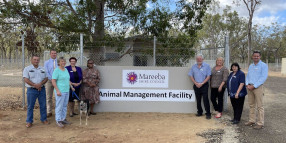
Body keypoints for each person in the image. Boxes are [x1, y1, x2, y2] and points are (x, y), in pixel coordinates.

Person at [23, 55, 49, 128]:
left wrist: (40, 84)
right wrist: (35, 85)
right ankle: (29, 121)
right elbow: (26, 79)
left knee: (43, 105)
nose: (36, 61)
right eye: (34, 59)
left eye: (37, 60)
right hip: (31, 90)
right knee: (30, 106)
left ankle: (44, 119)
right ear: (31, 60)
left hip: (42, 89)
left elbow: (46, 78)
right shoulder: (27, 69)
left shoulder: (43, 69)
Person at [245, 51, 268, 129]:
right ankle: (252, 120)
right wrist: (247, 84)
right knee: (251, 105)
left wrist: (254, 86)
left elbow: (263, 77)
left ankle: (260, 123)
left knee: (260, 106)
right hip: (249, 87)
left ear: (260, 57)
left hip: (258, 87)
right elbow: (248, 75)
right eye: (254, 56)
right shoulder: (251, 66)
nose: (256, 57)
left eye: (257, 56)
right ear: (252, 57)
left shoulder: (263, 65)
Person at [52, 57, 74, 128]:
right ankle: (58, 120)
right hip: (60, 91)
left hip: (66, 90)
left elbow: (67, 80)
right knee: (59, 106)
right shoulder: (56, 70)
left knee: (64, 106)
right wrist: (57, 90)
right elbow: (53, 81)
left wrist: (71, 87)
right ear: (59, 62)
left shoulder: (66, 69)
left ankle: (63, 119)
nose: (63, 62)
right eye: (62, 61)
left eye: (64, 61)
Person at [188, 54, 212, 119]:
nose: (199, 60)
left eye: (200, 59)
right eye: (197, 59)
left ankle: (208, 113)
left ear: (202, 59)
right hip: (196, 85)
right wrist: (195, 83)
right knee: (198, 100)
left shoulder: (207, 66)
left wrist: (202, 83)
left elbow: (208, 76)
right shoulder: (193, 67)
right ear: (196, 60)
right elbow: (190, 75)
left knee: (205, 99)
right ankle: (199, 112)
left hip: (204, 85)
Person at [44, 49, 57, 118]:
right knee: (49, 97)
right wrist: (52, 79)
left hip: (58, 81)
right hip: (49, 81)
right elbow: (46, 72)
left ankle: (58, 111)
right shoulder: (47, 62)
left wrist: (56, 79)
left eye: (55, 53)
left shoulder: (59, 62)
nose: (54, 54)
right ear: (50, 54)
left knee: (58, 96)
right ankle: (49, 111)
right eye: (52, 53)